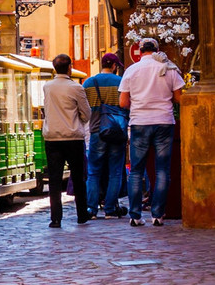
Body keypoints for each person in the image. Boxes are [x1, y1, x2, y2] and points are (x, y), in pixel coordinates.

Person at [119, 38, 184, 227]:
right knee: (162, 169)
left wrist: (140, 104)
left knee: (137, 171)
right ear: (157, 50)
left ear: (140, 51)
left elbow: (123, 102)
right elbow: (179, 98)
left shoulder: (132, 70)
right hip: (164, 121)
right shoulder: (169, 69)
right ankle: (157, 214)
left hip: (140, 122)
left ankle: (135, 215)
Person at [41, 53, 92, 228]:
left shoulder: (48, 87)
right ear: (69, 67)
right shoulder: (76, 88)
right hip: (73, 137)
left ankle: (56, 218)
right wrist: (77, 120)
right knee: (78, 177)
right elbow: (87, 113)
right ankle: (82, 215)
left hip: (52, 136)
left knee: (54, 180)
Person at [83, 53, 129, 219]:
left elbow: (84, 108)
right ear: (115, 66)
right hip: (118, 131)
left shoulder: (89, 83)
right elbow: (127, 105)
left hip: (97, 131)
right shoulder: (121, 82)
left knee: (94, 172)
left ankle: (92, 209)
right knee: (115, 171)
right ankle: (110, 208)